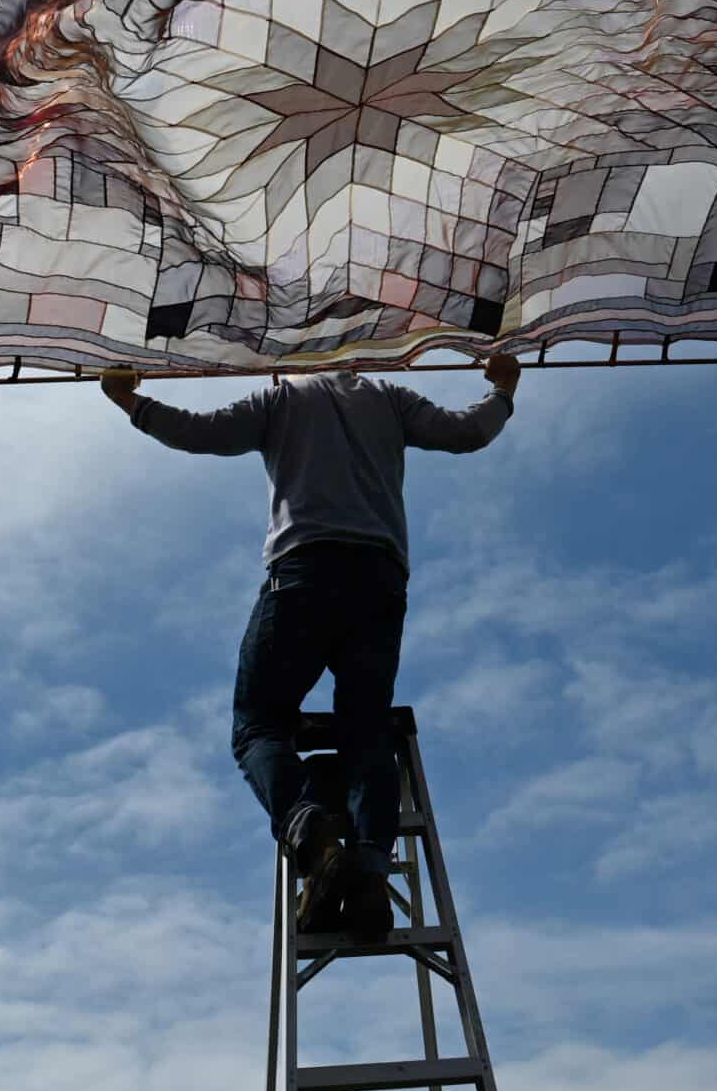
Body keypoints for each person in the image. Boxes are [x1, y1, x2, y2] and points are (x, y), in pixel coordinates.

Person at [100, 351, 522, 938]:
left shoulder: (281, 400)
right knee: (364, 727)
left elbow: (200, 433)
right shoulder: (389, 398)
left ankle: (312, 834)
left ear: (283, 366)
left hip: (304, 572)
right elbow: (468, 432)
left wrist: (130, 401)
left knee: (258, 724)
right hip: (379, 578)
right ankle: (371, 871)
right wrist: (502, 389)